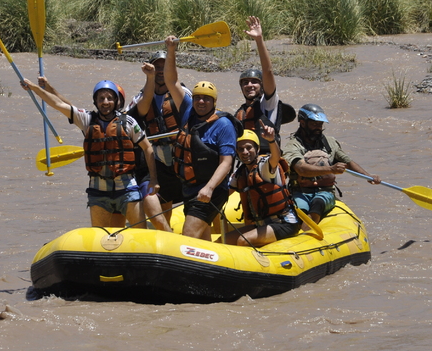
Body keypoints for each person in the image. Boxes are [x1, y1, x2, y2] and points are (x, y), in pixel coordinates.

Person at [21, 78, 159, 228]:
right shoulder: (86, 119)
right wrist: (34, 88)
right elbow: (58, 104)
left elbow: (147, 148)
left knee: (140, 233)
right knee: (101, 237)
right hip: (98, 192)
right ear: (95, 102)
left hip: (127, 189)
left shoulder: (129, 122)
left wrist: (154, 179)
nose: (105, 102)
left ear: (116, 101)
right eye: (101, 99)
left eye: (109, 98)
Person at [164, 35, 238, 241]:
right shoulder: (188, 110)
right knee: (202, 238)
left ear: (214, 102)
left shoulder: (223, 125)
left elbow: (227, 162)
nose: (201, 101)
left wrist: (210, 187)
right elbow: (171, 81)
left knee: (188, 237)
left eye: (206, 98)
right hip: (191, 189)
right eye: (197, 97)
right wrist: (171, 50)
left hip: (211, 190)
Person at [282, 104, 381, 228]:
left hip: (325, 191)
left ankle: (308, 231)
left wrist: (368, 176)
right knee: (300, 209)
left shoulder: (330, 142)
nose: (318, 128)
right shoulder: (292, 146)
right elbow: (301, 170)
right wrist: (331, 169)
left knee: (317, 203)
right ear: (302, 123)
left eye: (320, 125)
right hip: (300, 191)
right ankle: (301, 232)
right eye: (314, 124)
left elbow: (347, 162)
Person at [125, 51, 189, 232]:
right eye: (157, 67)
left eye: (164, 67)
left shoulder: (182, 92)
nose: (161, 71)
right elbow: (137, 114)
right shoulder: (142, 97)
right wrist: (150, 78)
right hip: (159, 159)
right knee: (164, 202)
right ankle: (167, 236)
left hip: (182, 155)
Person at [225, 124, 301, 247]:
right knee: (224, 241)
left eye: (249, 148)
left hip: (284, 223)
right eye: (240, 149)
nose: (245, 152)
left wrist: (271, 140)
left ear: (257, 149)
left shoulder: (264, 166)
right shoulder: (239, 173)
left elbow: (275, 157)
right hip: (262, 224)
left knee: (243, 241)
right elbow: (224, 193)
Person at [235, 16, 291, 154]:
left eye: (254, 82)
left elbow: (268, 71)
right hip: (246, 159)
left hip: (267, 159)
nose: (250, 85)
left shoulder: (268, 104)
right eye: (245, 83)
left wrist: (259, 40)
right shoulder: (241, 112)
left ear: (261, 85)